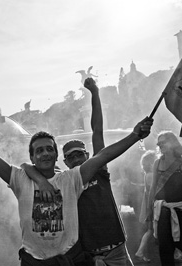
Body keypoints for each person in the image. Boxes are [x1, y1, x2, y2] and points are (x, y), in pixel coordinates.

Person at [0, 100, 153, 265]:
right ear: (32, 157)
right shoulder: (20, 179)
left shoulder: (70, 179)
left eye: (50, 149)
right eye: (39, 150)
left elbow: (102, 156)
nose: (45, 153)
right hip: (35, 261)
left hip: (71, 260)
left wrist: (135, 135)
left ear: (57, 156)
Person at [22, 78, 140, 266]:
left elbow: (97, 131)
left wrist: (95, 94)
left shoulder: (98, 170)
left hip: (117, 250)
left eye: (79, 154)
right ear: (65, 162)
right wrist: (40, 179)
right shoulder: (63, 180)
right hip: (89, 255)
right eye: (71, 156)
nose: (76, 159)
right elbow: (27, 167)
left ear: (87, 156)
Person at [148, 131, 182, 266]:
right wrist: (149, 211)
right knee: (165, 251)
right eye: (158, 143)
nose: (160, 145)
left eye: (163, 142)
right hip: (162, 213)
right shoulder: (157, 163)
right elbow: (152, 188)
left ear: (172, 143)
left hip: (180, 211)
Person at [135, 150, 157, 263]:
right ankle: (140, 252)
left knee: (151, 230)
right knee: (151, 230)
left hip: (151, 205)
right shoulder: (151, 175)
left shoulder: (147, 174)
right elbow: (153, 193)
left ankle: (140, 252)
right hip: (153, 206)